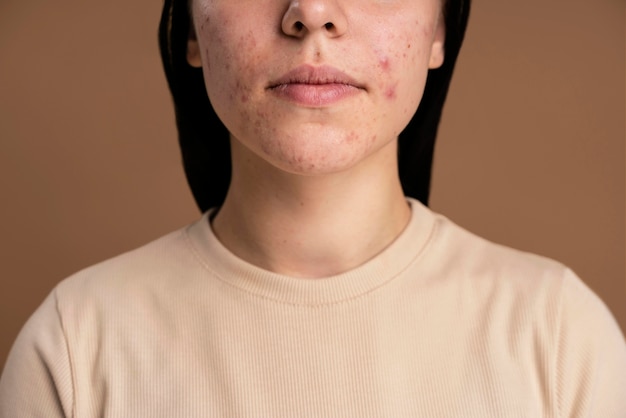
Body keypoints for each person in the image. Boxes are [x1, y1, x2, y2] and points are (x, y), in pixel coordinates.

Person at [1, 0, 625, 416]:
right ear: (190, 27)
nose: (312, 13)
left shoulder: (559, 335)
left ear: (439, 28)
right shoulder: (75, 346)